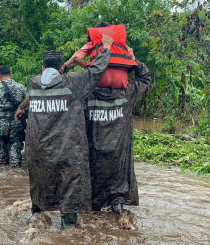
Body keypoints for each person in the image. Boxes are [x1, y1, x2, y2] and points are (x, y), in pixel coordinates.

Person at [16, 35, 114, 229]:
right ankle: (68, 231)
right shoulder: (72, 83)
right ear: (62, 69)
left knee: (40, 182)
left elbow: (51, 77)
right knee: (71, 184)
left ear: (43, 68)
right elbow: (96, 70)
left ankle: (37, 218)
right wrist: (106, 48)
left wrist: (64, 66)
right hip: (67, 148)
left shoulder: (34, 83)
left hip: (38, 148)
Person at [86, 46, 151, 220]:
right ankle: (119, 213)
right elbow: (145, 78)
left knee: (94, 201)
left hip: (94, 155)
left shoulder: (88, 95)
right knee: (118, 194)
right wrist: (133, 58)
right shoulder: (127, 94)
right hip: (119, 156)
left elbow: (68, 82)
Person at [64, 22, 137, 89]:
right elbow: (130, 64)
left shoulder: (91, 43)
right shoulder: (122, 45)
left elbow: (77, 58)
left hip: (99, 80)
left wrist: (92, 69)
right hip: (120, 82)